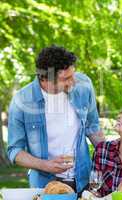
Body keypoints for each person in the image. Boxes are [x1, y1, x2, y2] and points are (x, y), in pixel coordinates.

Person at [7, 45, 104, 193]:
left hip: (82, 181)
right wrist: (45, 165)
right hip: (45, 186)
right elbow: (15, 150)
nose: (73, 82)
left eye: (73, 74)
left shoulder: (84, 85)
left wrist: (112, 157)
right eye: (66, 79)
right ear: (45, 80)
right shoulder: (22, 100)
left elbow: (93, 127)